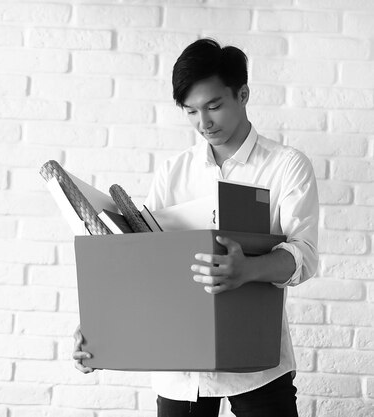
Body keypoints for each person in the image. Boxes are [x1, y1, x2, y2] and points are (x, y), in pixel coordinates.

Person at [72, 38, 319, 417]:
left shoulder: (287, 166)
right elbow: (144, 260)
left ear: (243, 94)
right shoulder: (174, 171)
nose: (203, 123)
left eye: (214, 107)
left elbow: (304, 256)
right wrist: (99, 329)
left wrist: (249, 269)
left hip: (257, 363)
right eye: (190, 112)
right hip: (180, 367)